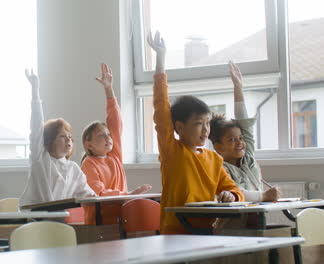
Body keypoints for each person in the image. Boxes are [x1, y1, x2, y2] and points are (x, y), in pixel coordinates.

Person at [147, 31, 244, 234]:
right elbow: (161, 108)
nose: (206, 129)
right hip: (176, 230)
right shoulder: (172, 150)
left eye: (208, 123)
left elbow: (234, 190)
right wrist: (161, 59)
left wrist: (230, 195)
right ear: (180, 127)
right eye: (199, 123)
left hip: (207, 230)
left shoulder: (214, 159)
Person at [81, 63, 152, 224]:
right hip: (100, 223)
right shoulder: (88, 164)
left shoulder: (114, 155)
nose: (108, 138)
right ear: (89, 144)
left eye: (108, 135)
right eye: (101, 136)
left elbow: (115, 120)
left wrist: (108, 89)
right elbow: (99, 194)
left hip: (120, 218)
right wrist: (129, 194)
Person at [20, 69, 96, 206]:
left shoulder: (73, 168)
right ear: (49, 140)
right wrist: (35, 92)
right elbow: (36, 128)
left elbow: (87, 193)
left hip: (61, 219)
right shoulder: (41, 160)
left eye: (70, 137)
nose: (68, 140)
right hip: (36, 219)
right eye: (62, 136)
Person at [209, 61, 280, 202]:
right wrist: (263, 196)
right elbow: (234, 192)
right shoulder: (220, 169)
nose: (240, 143)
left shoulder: (247, 158)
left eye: (240, 138)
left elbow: (244, 123)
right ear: (218, 146)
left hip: (256, 218)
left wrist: (238, 87)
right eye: (232, 140)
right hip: (234, 223)